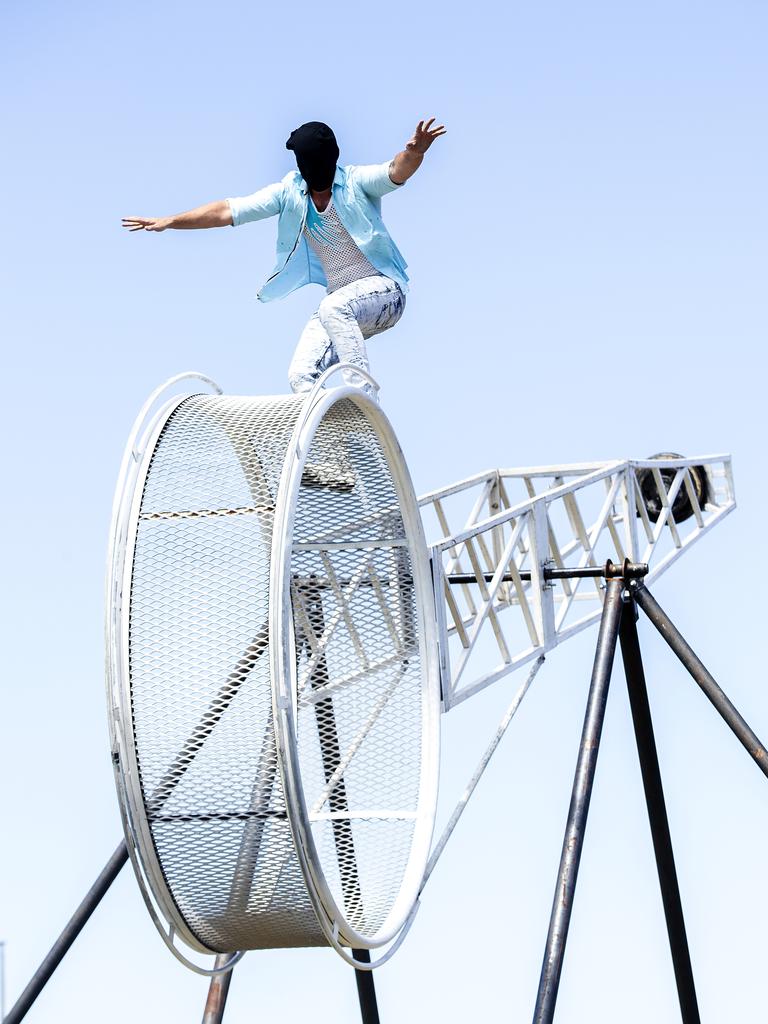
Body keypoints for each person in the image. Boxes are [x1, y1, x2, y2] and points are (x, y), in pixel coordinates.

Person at [122, 117, 446, 400]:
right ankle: (337, 450)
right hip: (341, 307)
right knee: (301, 374)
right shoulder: (289, 193)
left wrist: (415, 151)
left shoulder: (356, 182)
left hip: (385, 294)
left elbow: (395, 171)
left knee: (333, 307)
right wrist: (170, 221)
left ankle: (365, 401)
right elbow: (228, 210)